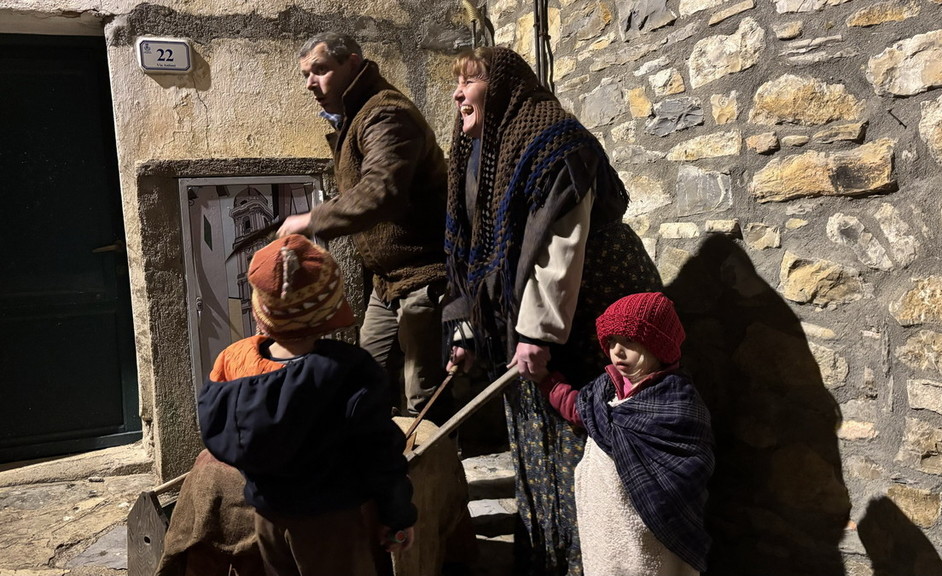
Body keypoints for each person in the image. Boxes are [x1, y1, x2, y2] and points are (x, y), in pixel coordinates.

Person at [444, 46, 662, 575]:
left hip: (584, 312)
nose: (457, 94)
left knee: (581, 438)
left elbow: (559, 243)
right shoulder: (476, 155)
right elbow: (475, 253)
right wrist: (467, 331)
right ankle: (549, 559)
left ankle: (594, 562)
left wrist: (537, 333)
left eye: (469, 82)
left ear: (501, 89)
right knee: (534, 438)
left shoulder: (553, 140)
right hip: (532, 319)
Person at [197, 234, 416, 576]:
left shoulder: (235, 366)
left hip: (267, 519)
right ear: (328, 311)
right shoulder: (349, 372)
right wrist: (398, 516)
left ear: (260, 312)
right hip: (331, 524)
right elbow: (380, 456)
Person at [278, 31, 449, 420]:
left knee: (423, 397)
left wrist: (312, 219)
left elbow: (380, 192)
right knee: (365, 381)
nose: (310, 83)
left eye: (320, 70)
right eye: (306, 74)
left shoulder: (385, 113)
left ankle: (436, 459)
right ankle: (381, 456)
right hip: (386, 282)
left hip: (422, 276)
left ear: (352, 64)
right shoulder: (353, 116)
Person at [539, 292, 715, 576]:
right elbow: (579, 409)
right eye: (611, 341)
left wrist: (654, 505)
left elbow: (688, 470)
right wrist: (549, 384)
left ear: (659, 345)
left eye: (630, 341)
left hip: (647, 527)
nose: (617, 351)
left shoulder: (677, 404)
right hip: (606, 520)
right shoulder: (607, 387)